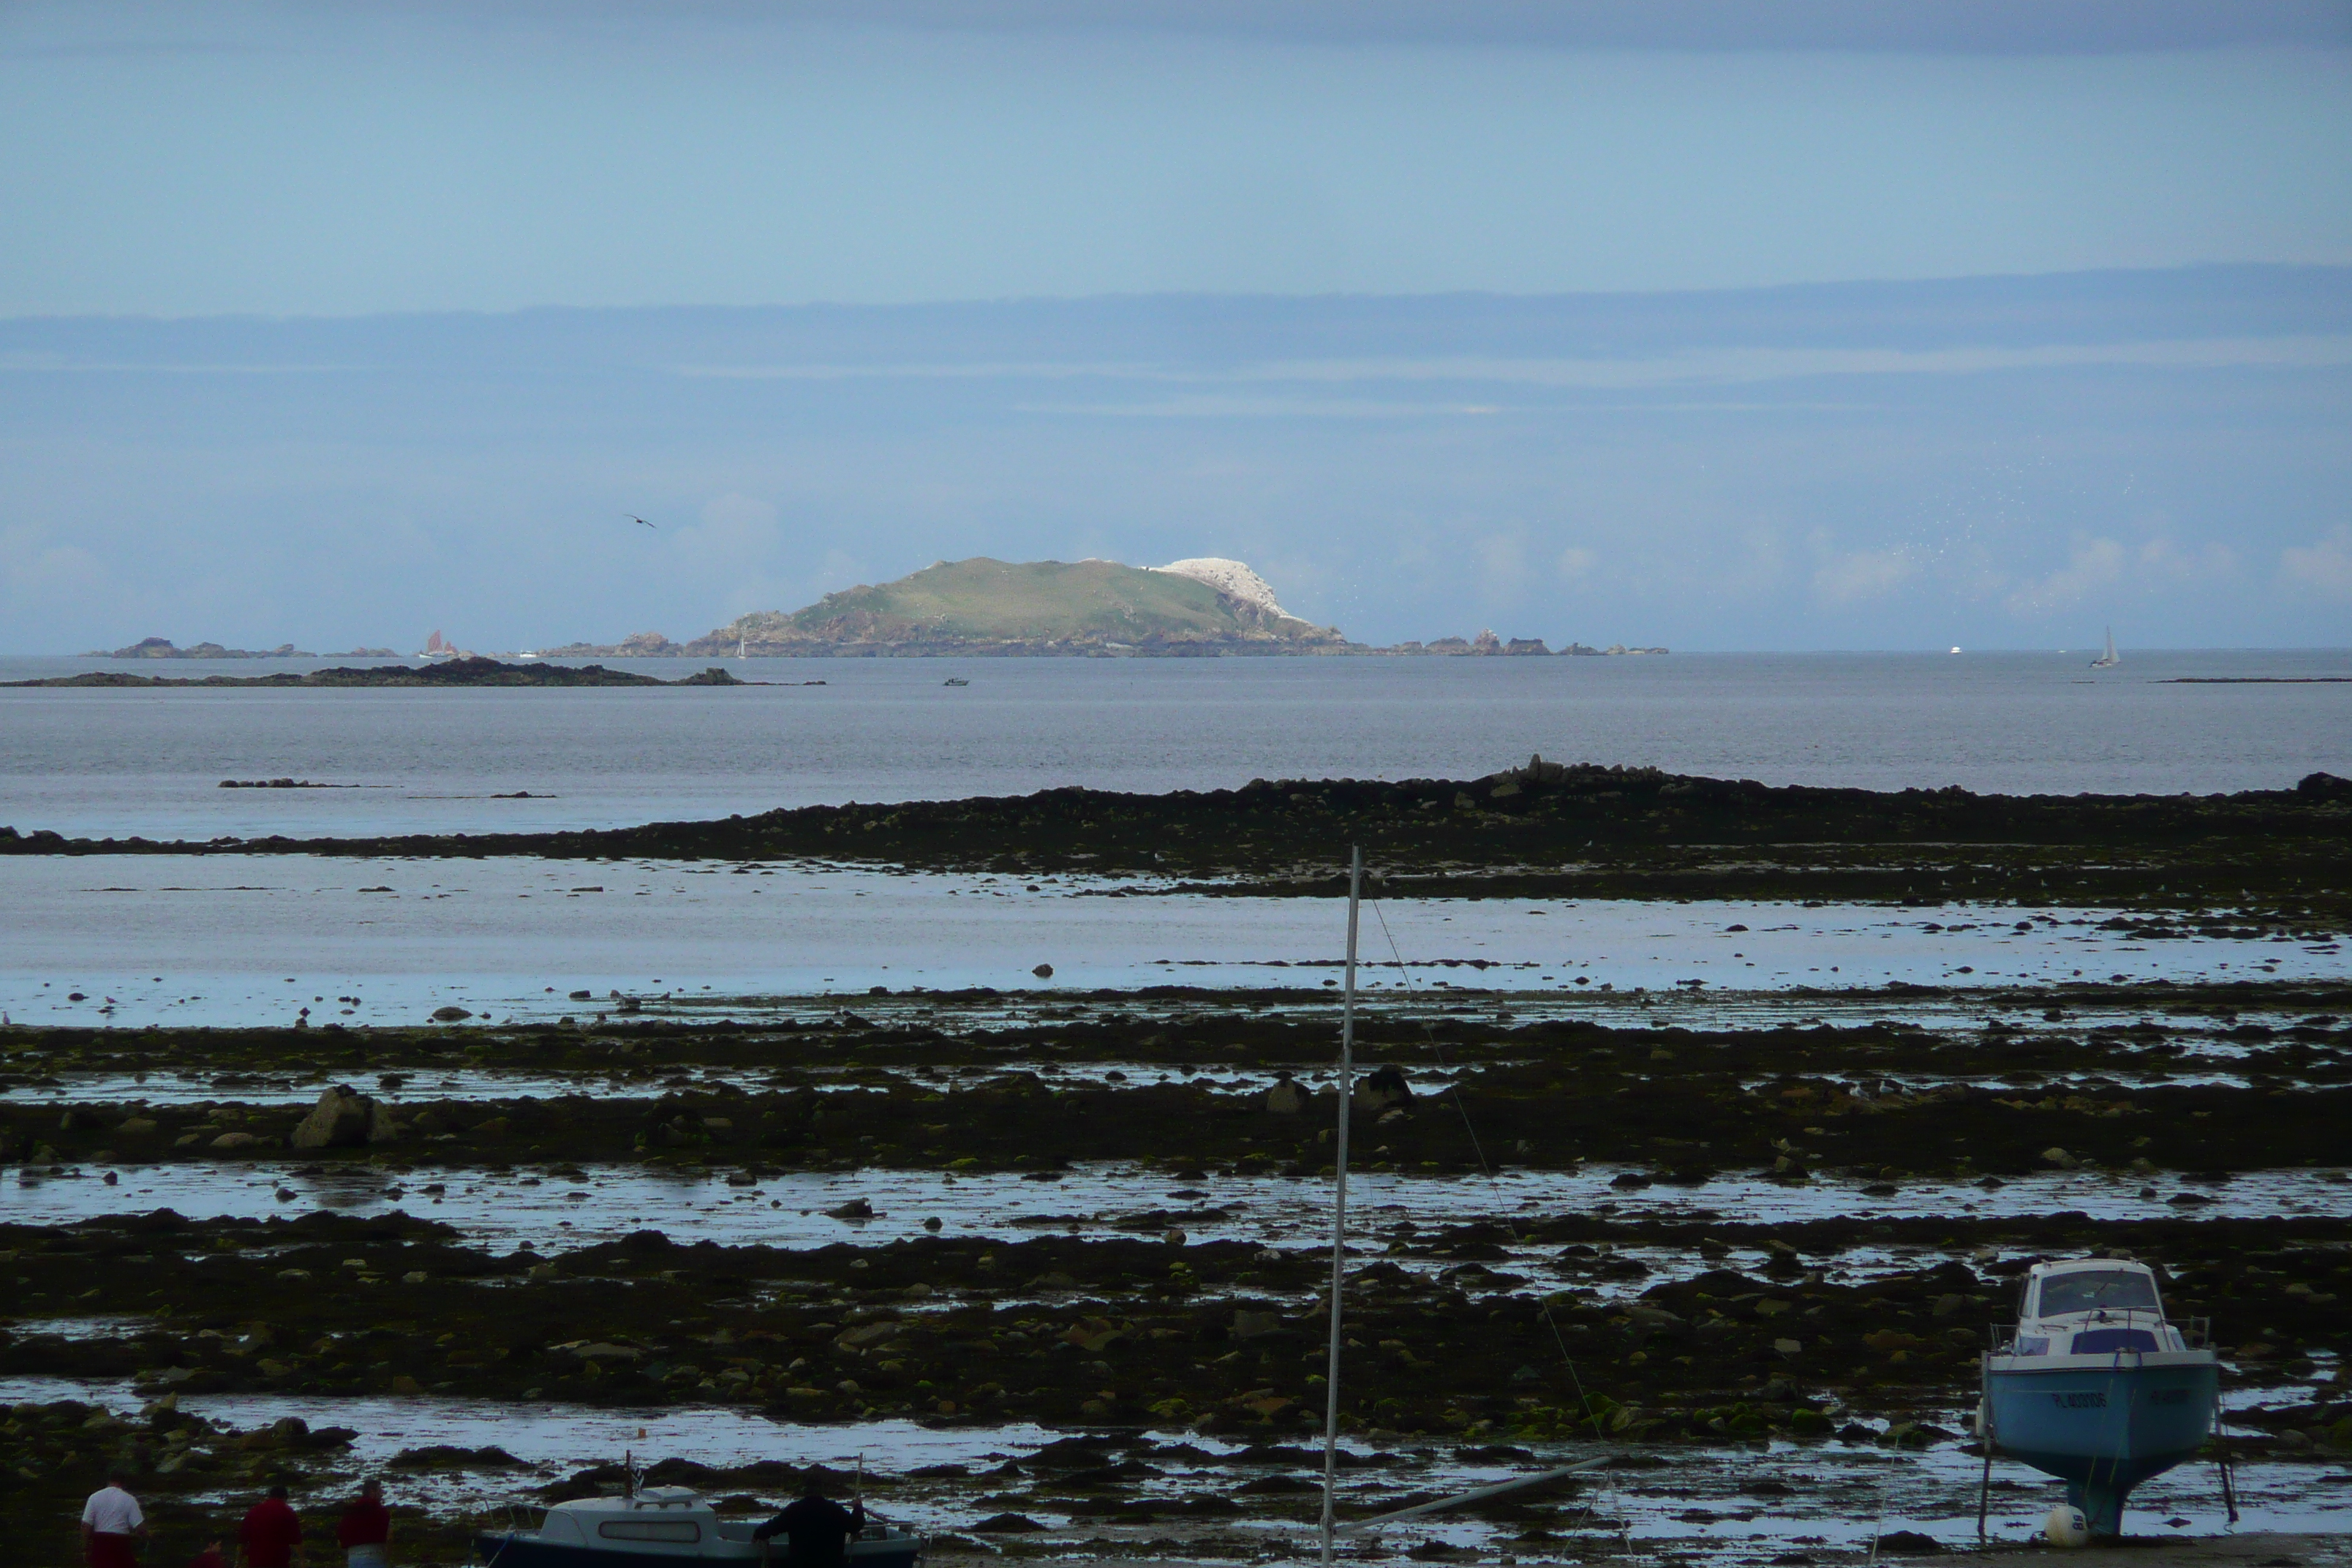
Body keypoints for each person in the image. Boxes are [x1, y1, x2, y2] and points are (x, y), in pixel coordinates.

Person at [751, 1472, 866, 1568]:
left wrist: (758, 1533)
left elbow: (773, 1527)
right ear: (822, 1490)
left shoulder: (795, 1510)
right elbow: (855, 1525)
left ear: (805, 1490)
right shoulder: (835, 1510)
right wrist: (858, 1508)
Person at [80, 1471, 148, 1568]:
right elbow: (139, 1527)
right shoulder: (129, 1499)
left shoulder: (94, 1497)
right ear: (124, 1483)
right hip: (120, 1543)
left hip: (100, 1542)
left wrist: (85, 1549)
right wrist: (148, 1537)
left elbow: (86, 1526)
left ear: (108, 1481)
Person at [239, 1483, 305, 1568]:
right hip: (278, 1561)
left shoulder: (254, 1511)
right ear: (285, 1497)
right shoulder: (287, 1512)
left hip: (256, 1561)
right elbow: (297, 1540)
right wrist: (302, 1560)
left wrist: (238, 1563)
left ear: (269, 1496)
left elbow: (243, 1541)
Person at [337, 1480, 391, 1568]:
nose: (382, 1495)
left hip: (353, 1559)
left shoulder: (350, 1512)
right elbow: (389, 1536)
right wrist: (387, 1557)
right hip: (374, 1557)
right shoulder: (380, 1512)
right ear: (372, 1491)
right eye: (380, 1491)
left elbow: (340, 1538)